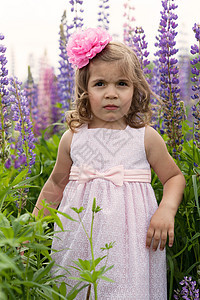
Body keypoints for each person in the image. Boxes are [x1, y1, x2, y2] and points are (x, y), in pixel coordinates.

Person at [33, 27, 185, 299]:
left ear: (135, 89)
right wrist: (30, 232)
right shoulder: (73, 138)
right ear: (84, 90)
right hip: (79, 239)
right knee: (75, 288)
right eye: (100, 84)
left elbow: (174, 177)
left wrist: (166, 210)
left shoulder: (145, 137)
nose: (111, 93)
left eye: (122, 84)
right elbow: (55, 184)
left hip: (132, 245)